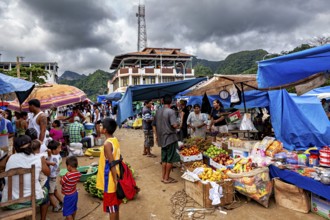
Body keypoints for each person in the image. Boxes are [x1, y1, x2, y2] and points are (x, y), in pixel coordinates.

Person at [2, 135, 50, 220]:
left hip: (10, 202)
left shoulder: (10, 158)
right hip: (32, 199)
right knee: (46, 190)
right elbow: (48, 173)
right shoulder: (38, 158)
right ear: (31, 145)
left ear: (15, 147)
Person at [96, 118, 121, 220]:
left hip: (110, 180)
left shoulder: (107, 144)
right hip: (115, 177)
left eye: (101, 126)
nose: (99, 127)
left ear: (105, 130)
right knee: (115, 206)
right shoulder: (114, 140)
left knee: (111, 208)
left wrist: (115, 180)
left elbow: (111, 164)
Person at [153, 95, 180, 184]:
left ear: (162, 101)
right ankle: (167, 178)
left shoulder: (158, 111)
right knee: (170, 159)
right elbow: (174, 125)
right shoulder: (171, 111)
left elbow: (154, 125)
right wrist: (180, 123)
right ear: (171, 102)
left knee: (164, 159)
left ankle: (163, 177)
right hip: (170, 138)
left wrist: (156, 136)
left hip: (162, 138)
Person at [47, 140, 63, 212]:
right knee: (55, 190)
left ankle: (57, 207)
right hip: (55, 176)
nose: (60, 149)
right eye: (59, 148)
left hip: (51, 177)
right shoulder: (58, 155)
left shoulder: (52, 157)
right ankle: (63, 202)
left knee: (50, 193)